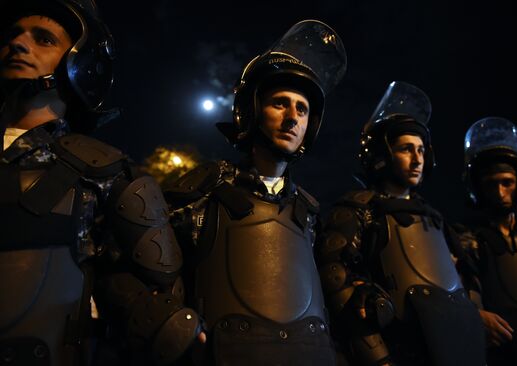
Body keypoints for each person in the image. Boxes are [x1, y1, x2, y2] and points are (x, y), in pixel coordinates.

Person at [0, 1, 202, 365]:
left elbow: (158, 296)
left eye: (42, 39)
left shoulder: (105, 171)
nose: (17, 43)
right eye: (13, 35)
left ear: (79, 65)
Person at [164, 20, 347, 366]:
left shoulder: (308, 212)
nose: (292, 118)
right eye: (280, 103)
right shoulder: (202, 191)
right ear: (251, 110)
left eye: (302, 109)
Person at [316, 81, 486, 366]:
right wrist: (379, 358)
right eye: (406, 149)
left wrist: (475, 326)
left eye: (421, 150)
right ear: (383, 156)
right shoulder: (358, 209)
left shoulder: (434, 217)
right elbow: (336, 283)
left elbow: (467, 279)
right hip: (397, 349)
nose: (417, 159)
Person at [456, 116, 517, 366]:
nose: (500, 193)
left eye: (507, 183)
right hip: (504, 355)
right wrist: (476, 317)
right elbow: (463, 294)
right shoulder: (467, 241)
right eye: (491, 184)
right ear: (477, 188)